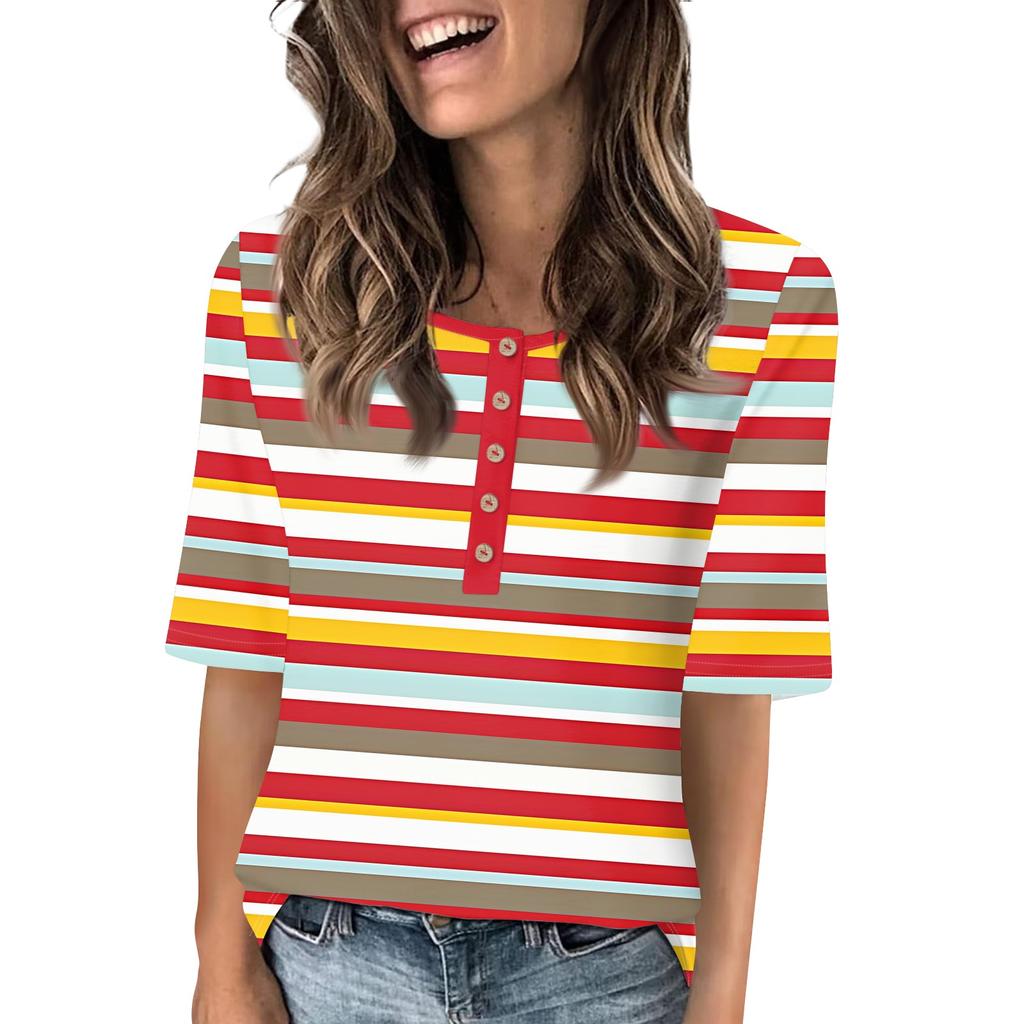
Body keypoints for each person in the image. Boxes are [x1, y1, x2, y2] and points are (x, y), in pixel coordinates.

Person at [163, 2, 839, 1022]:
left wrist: (725, 993)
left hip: (608, 974)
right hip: (329, 961)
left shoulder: (761, 299)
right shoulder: (280, 288)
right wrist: (221, 959)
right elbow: (245, 639)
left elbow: (733, 674)